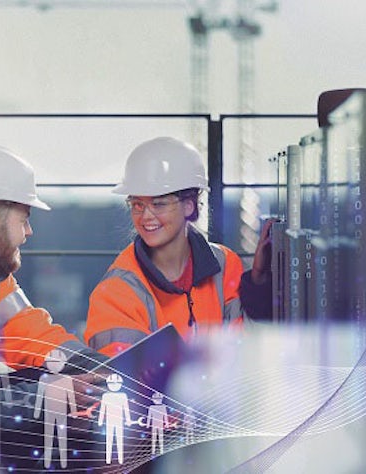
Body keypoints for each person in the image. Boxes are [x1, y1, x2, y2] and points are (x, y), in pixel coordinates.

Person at [84, 137, 272, 357]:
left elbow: (248, 350)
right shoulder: (115, 292)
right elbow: (128, 380)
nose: (146, 216)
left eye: (159, 203)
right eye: (137, 204)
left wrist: (258, 284)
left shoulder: (224, 264)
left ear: (189, 205)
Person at [0, 143, 105, 371]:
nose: (28, 231)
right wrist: (37, 392)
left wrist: (98, 367)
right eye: (23, 220)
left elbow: (34, 335)